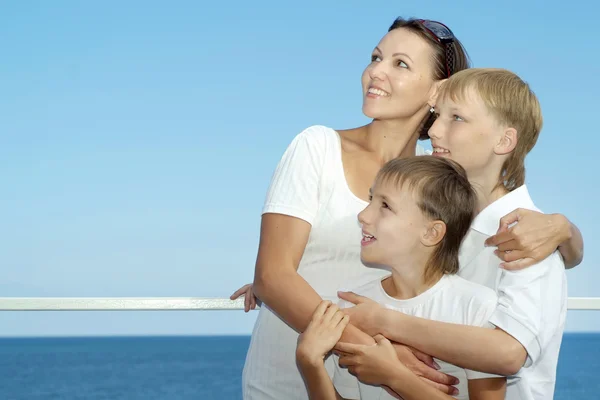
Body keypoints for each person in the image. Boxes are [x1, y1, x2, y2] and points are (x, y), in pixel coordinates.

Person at [231, 18, 584, 400]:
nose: (375, 71)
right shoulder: (317, 146)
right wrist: (286, 279)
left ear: (438, 90)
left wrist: (565, 231)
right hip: (297, 373)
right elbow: (277, 273)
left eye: (400, 63)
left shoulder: (436, 180)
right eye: (376, 57)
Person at [337, 68, 567, 400]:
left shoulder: (529, 239)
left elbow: (508, 353)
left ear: (504, 140)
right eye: (436, 116)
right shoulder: (442, 221)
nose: (434, 131)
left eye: (456, 118)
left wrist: (384, 323)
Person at [296, 156, 507, 400]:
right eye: (370, 199)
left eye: (385, 206)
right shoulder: (355, 306)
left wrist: (394, 375)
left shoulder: (476, 306)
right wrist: (310, 363)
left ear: (431, 232)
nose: (363, 215)